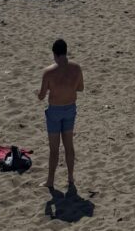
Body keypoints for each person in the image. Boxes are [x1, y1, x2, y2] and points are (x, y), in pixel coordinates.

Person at [37, 39, 84, 189]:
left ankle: (50, 181)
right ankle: (70, 177)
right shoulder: (76, 68)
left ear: (54, 54)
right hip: (70, 108)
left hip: (55, 111)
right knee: (69, 146)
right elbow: (80, 88)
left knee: (54, 149)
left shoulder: (48, 72)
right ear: (65, 51)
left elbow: (41, 96)